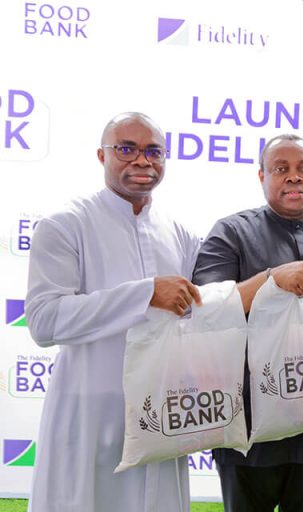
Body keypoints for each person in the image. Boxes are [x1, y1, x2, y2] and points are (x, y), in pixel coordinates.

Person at [25, 112, 202, 512]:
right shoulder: (65, 224)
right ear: (101, 155)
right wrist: (145, 295)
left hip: (161, 413)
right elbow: (44, 320)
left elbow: (209, 309)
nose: (142, 160)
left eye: (154, 151)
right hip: (89, 413)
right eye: (127, 148)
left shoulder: (181, 234)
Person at [192, 133, 303, 512]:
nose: (294, 176)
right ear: (261, 175)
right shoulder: (231, 233)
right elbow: (208, 308)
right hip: (249, 425)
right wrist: (270, 279)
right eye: (281, 169)